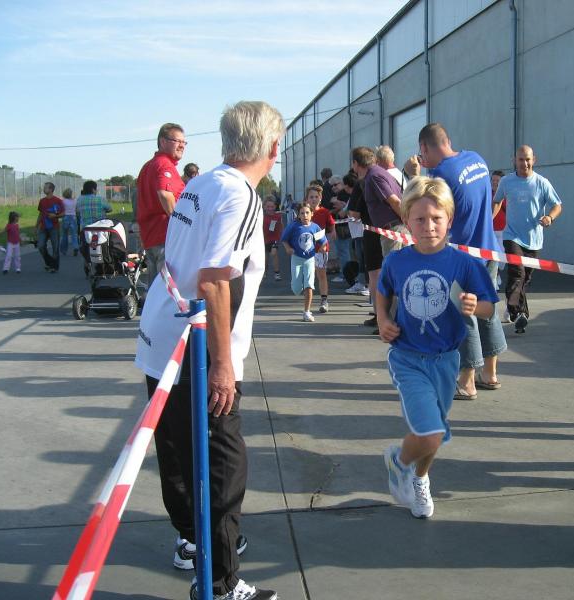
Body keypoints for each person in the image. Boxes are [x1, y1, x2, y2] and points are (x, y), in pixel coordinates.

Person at [135, 100, 282, 600]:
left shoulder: (199, 183)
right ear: (273, 148)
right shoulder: (240, 194)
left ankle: (193, 541)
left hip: (163, 332)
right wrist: (222, 365)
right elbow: (216, 280)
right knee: (223, 461)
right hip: (194, 343)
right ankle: (219, 582)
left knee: (177, 449)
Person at [378, 176, 498, 519]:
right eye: (419, 219)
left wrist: (476, 306)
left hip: (447, 360)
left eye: (436, 218)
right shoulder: (397, 261)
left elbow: (491, 307)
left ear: (449, 219)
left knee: (435, 431)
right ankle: (398, 461)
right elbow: (382, 292)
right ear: (406, 220)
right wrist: (383, 318)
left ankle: (420, 477)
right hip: (407, 358)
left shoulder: (465, 263)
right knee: (430, 432)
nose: (428, 226)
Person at [418, 123, 506, 400]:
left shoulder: (441, 175)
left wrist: (417, 175)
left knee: (463, 316)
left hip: (461, 258)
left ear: (424, 148)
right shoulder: (477, 159)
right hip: (488, 249)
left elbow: (429, 212)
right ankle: (489, 373)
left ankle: (467, 380)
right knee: (486, 310)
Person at [495, 145, 563, 333]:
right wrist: (489, 219)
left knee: (524, 279)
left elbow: (557, 205)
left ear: (534, 160)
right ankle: (518, 312)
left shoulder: (542, 183)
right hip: (512, 236)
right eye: (520, 159)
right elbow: (497, 201)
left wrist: (550, 217)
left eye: (527, 159)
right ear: (514, 160)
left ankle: (518, 313)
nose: (524, 163)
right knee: (517, 273)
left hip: (533, 240)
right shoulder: (506, 182)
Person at [352, 146, 404, 331]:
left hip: (393, 230)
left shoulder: (374, 176)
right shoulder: (377, 174)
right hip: (390, 230)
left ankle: (394, 323)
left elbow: (394, 201)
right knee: (391, 275)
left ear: (356, 163)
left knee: (392, 276)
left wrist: (409, 223)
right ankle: (391, 320)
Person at [137, 122, 187, 288]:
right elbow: (164, 194)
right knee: (169, 292)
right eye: (177, 141)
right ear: (163, 141)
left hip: (151, 237)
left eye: (184, 142)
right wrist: (179, 223)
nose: (182, 145)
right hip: (165, 236)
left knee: (156, 290)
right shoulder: (164, 165)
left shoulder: (148, 166)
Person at [281, 203, 326, 322]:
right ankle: (297, 285)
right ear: (299, 215)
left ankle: (307, 312)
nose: (305, 215)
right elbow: (284, 239)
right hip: (296, 258)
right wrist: (288, 248)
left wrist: (322, 248)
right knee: (296, 288)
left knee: (309, 285)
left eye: (307, 213)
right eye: (302, 213)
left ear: (312, 214)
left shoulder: (315, 227)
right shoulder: (294, 226)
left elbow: (323, 241)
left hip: (310, 259)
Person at [304, 184, 335, 313]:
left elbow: (332, 226)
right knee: (308, 276)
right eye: (311, 197)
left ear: (320, 198)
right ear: (307, 199)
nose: (314, 199)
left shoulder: (324, 212)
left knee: (321, 274)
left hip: (321, 249)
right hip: (306, 250)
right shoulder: (304, 213)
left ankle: (324, 300)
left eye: (316, 197)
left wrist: (330, 237)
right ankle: (307, 304)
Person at [344, 172, 372, 297]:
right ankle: (362, 283)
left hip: (362, 232)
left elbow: (353, 214)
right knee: (361, 259)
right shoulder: (353, 197)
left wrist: (348, 212)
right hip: (357, 233)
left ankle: (367, 284)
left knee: (365, 259)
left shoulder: (360, 196)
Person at [327, 176, 352, 282]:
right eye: (331, 186)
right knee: (342, 251)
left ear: (342, 183)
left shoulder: (344, 195)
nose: (333, 187)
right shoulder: (339, 195)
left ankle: (345, 275)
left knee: (343, 251)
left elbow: (345, 209)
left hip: (344, 227)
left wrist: (339, 205)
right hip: (339, 227)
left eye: (335, 184)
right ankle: (346, 274)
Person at [37, 181, 64, 273]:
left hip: (54, 227)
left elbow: (63, 213)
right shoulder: (42, 201)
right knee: (40, 246)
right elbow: (40, 214)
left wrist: (55, 216)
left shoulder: (58, 200)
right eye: (44, 187)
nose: (44, 189)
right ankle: (49, 262)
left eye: (46, 187)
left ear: (51, 189)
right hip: (43, 227)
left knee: (55, 248)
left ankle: (54, 267)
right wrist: (36, 225)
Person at [262, 197, 283, 281]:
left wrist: (281, 236)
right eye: (268, 206)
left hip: (274, 238)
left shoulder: (277, 216)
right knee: (265, 258)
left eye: (272, 207)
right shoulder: (261, 216)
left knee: (274, 254)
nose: (270, 209)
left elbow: (281, 226)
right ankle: (264, 270)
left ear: (275, 207)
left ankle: (277, 273)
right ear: (264, 207)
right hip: (264, 239)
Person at [59, 188, 78, 256]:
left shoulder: (63, 201)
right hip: (73, 217)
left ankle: (63, 250)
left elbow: (61, 209)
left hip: (65, 217)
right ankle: (75, 247)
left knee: (64, 235)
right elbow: (76, 209)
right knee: (74, 234)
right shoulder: (75, 201)